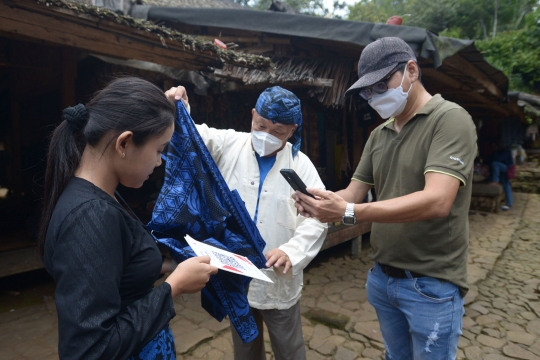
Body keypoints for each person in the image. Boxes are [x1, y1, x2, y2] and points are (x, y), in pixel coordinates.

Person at [294, 37, 477, 359]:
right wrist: (323, 202)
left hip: (430, 282)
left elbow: (438, 200)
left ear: (411, 70)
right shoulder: (379, 134)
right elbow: (353, 192)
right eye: (367, 91)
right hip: (382, 277)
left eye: (381, 85)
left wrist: (349, 210)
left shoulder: (449, 119)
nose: (373, 96)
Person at [38, 77, 218, 359]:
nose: (160, 162)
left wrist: (172, 264)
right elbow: (91, 350)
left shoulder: (99, 194)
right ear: (124, 143)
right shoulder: (91, 216)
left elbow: (117, 267)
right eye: (159, 150)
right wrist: (174, 287)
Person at [166, 85, 328, 360]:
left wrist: (291, 251)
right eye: (261, 125)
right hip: (236, 275)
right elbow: (195, 136)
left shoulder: (301, 165)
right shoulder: (231, 144)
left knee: (289, 350)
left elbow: (317, 219)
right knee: (245, 349)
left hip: (277, 281)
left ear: (292, 130)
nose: (266, 135)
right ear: (252, 115)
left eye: (278, 132)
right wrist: (179, 106)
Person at [488, 145, 514, 210]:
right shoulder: (498, 151)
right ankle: (509, 204)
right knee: (506, 185)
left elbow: (498, 160)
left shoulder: (505, 151)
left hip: (506, 169)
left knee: (495, 164)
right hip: (502, 170)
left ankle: (495, 181)